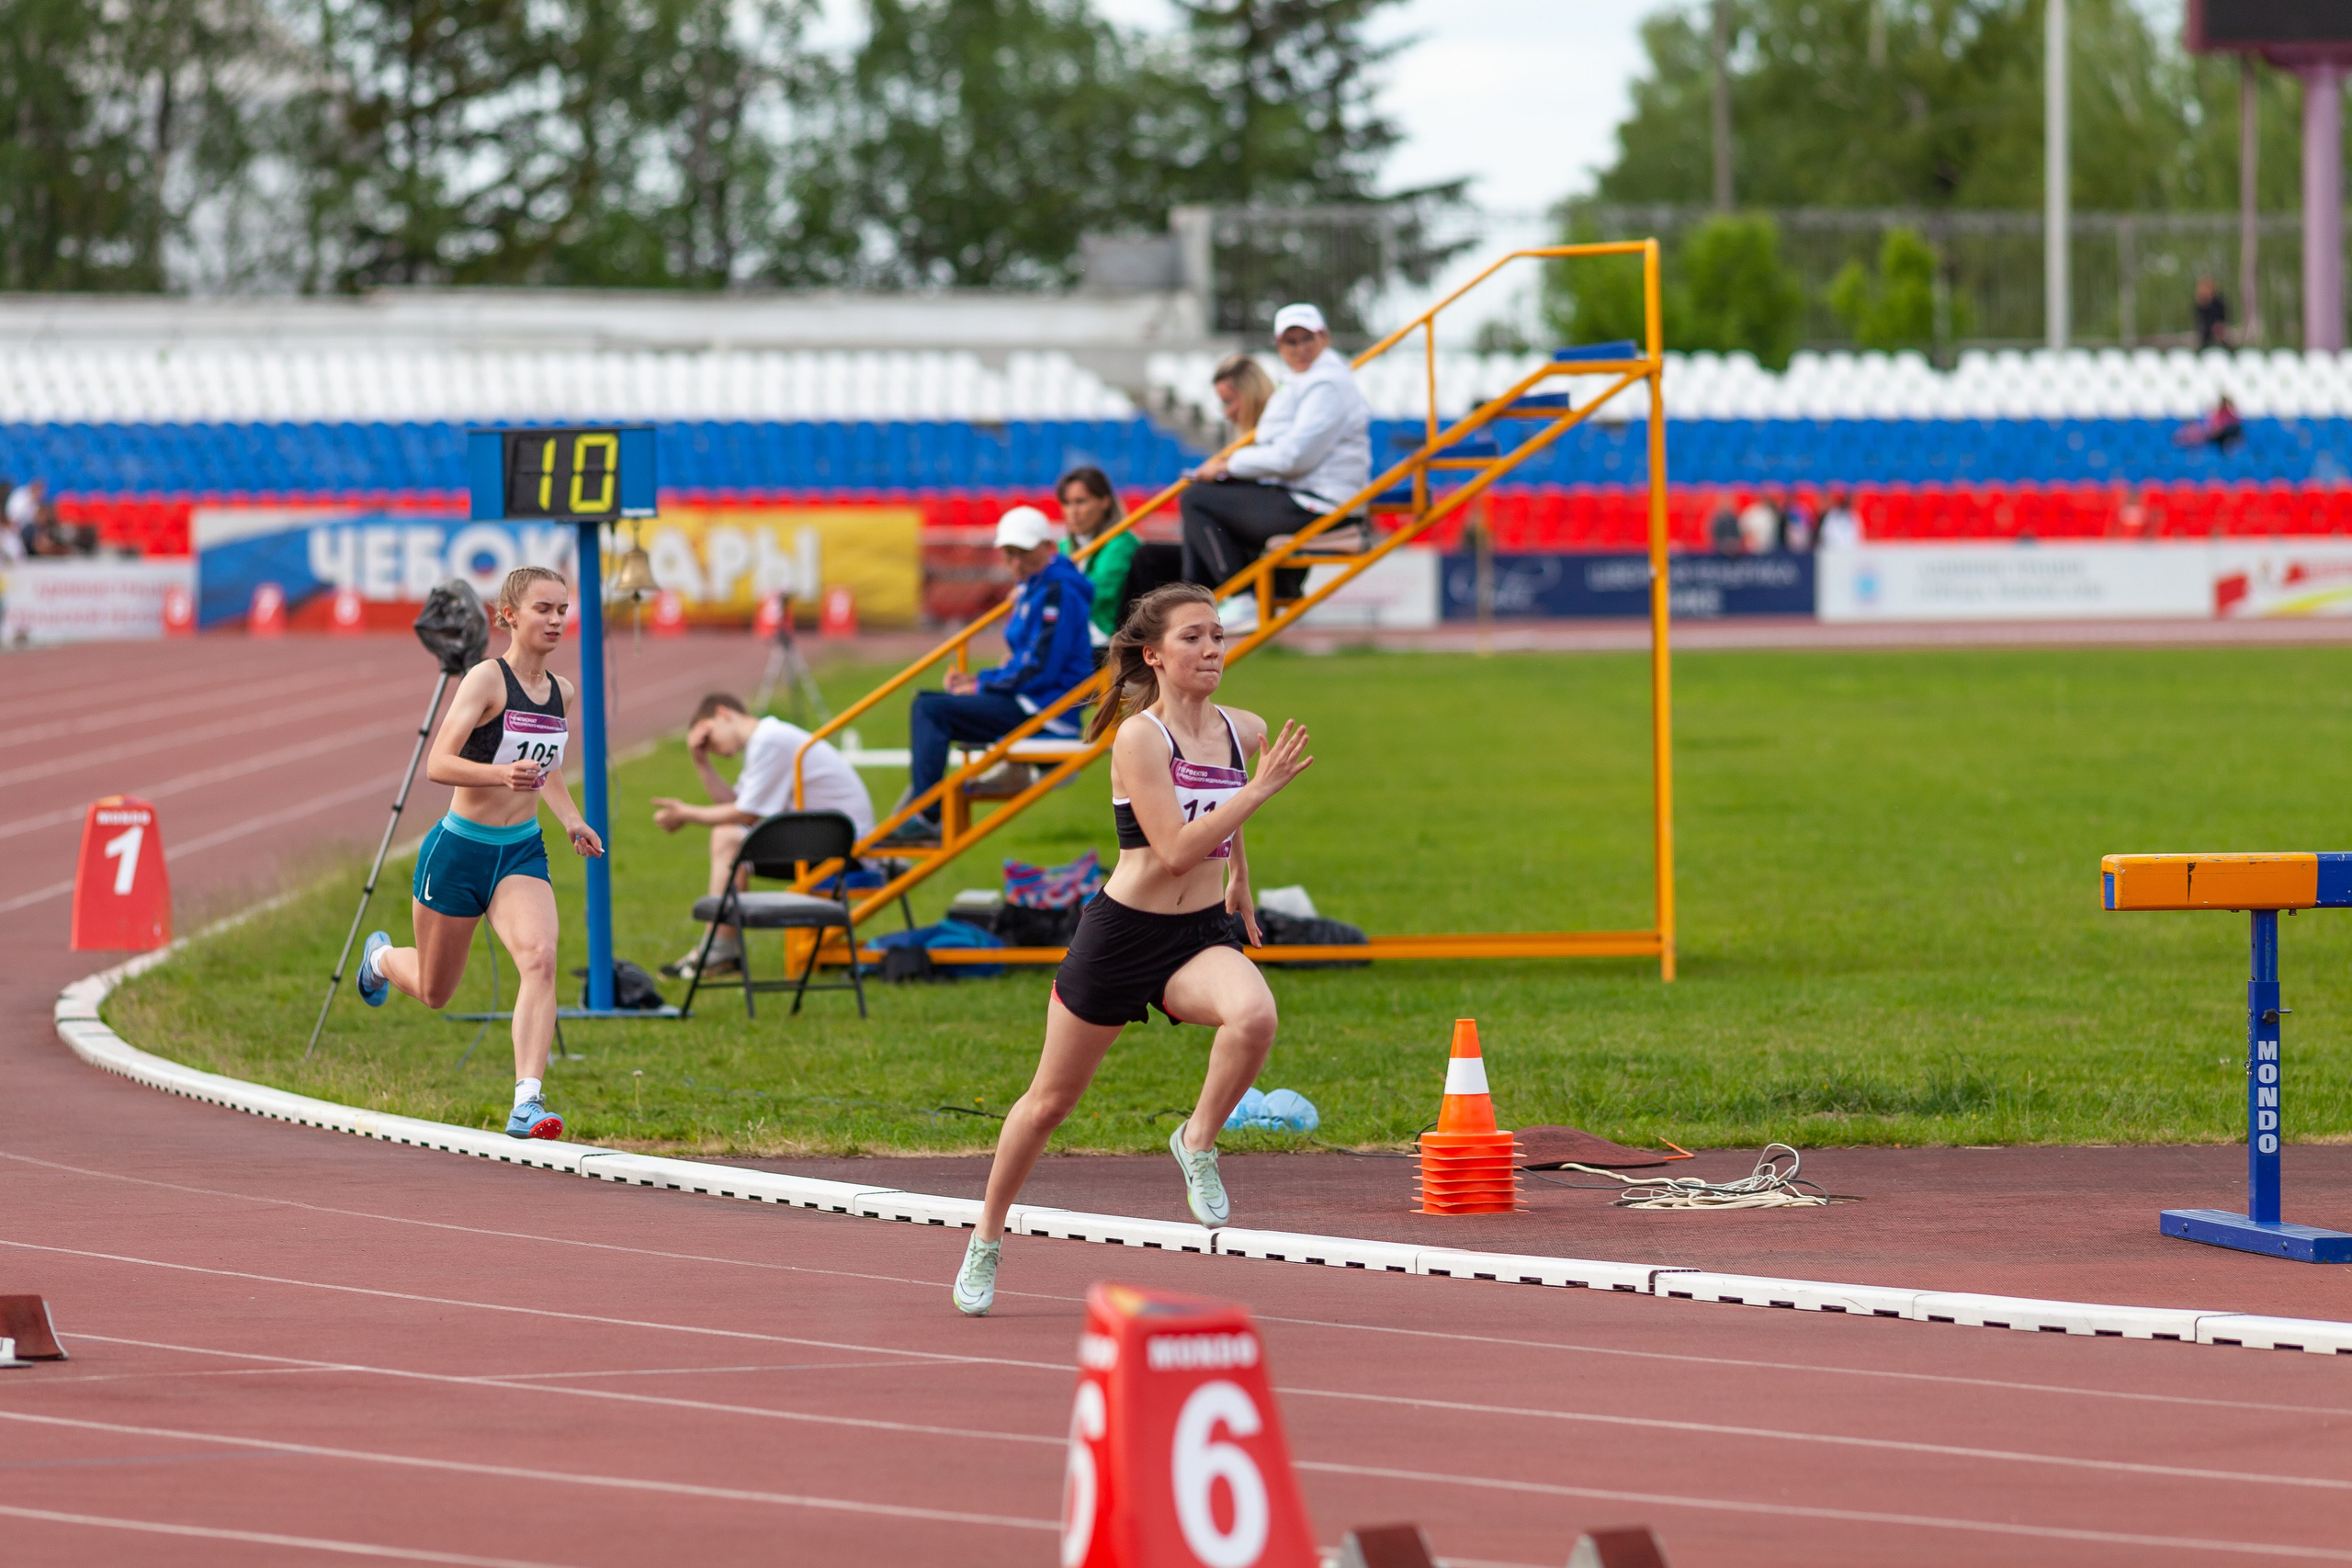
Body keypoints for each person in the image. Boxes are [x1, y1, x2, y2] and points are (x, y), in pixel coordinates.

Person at [949, 583, 1315, 1315]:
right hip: (1123, 935)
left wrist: (1243, 876)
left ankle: (1197, 1140)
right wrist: (1262, 791)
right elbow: (1177, 848)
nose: (1212, 648)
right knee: (1049, 1102)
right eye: (1193, 638)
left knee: (1255, 1016)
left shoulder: (1244, 728)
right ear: (1154, 654)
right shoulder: (1140, 738)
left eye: (1218, 635)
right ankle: (986, 1237)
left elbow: (1224, 818)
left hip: (1198, 934)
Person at [356, 566, 605, 1140]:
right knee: (436, 992)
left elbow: (549, 767)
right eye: (544, 609)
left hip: (520, 853)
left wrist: (570, 819)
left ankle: (527, 1101)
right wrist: (499, 774)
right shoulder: (485, 681)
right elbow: (437, 764)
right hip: (460, 850)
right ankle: (380, 961)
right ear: (510, 614)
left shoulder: (561, 692)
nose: (557, 619)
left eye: (563, 609)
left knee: (541, 958)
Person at [875, 505, 1095, 849]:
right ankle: (922, 814)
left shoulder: (1057, 591)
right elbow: (1030, 661)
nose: (1015, 563)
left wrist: (981, 684)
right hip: (1034, 703)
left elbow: (1041, 667)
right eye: (1009, 554)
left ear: (1046, 547)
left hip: (1046, 713)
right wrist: (981, 681)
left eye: (1022, 553)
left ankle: (926, 817)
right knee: (930, 706)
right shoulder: (1040, 585)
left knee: (930, 710)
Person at [650, 692, 876, 979]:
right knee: (729, 839)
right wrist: (701, 760)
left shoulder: (770, 740)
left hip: (846, 851)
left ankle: (720, 949)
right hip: (832, 842)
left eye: (709, 736)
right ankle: (720, 949)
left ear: (723, 713)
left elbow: (744, 815)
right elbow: (733, 804)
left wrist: (687, 814)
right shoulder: (767, 740)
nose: (711, 746)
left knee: (727, 838)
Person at [1179, 303, 1371, 595]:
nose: (1299, 348)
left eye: (1308, 338)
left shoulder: (1326, 384)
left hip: (1319, 504)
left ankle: (1240, 596)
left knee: (1197, 500)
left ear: (1325, 338)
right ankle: (1199, 600)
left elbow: (1294, 458)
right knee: (1200, 507)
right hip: (1307, 497)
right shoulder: (1301, 381)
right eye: (1290, 341)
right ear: (1279, 345)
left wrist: (1227, 465)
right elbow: (1285, 453)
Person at [1057, 466, 1181, 649]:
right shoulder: (1065, 545)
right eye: (1067, 503)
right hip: (1075, 638)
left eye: (1080, 502)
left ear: (1105, 502)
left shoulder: (1121, 542)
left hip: (1106, 639)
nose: (1073, 511)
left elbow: (1097, 592)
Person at [2194, 277, 2232, 351]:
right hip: (2207, 329)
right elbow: (2200, 319)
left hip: (2218, 327)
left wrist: (2219, 325)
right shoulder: (2201, 304)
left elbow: (2223, 316)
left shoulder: (2218, 302)